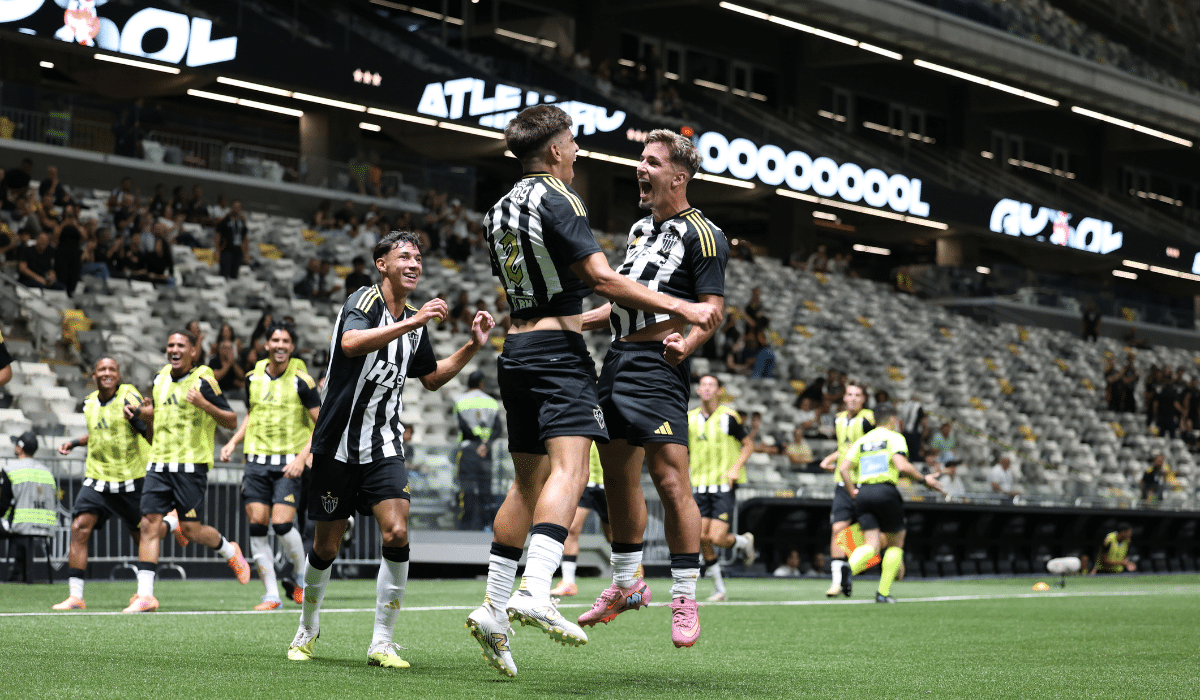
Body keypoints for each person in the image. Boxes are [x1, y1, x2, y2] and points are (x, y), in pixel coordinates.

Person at [467, 106, 717, 678]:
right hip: (558, 354)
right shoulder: (562, 198)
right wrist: (680, 307)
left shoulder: (497, 209)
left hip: (515, 350)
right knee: (572, 471)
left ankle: (494, 606)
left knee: (526, 483)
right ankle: (536, 589)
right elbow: (602, 279)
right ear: (556, 149)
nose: (578, 150)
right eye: (573, 142)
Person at [288, 230, 495, 669]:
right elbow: (351, 343)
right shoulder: (364, 301)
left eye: (418, 257)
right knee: (326, 547)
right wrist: (413, 324)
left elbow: (432, 378)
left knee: (397, 533)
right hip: (337, 444)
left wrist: (472, 347)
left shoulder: (415, 322)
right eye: (404, 256)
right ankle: (307, 626)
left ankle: (382, 641)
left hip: (384, 444)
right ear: (382, 264)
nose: (414, 264)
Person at [576, 129, 728, 645]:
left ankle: (684, 596)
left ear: (678, 177)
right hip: (617, 360)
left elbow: (712, 310)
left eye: (652, 162)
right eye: (641, 159)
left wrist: (690, 343)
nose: (640, 168)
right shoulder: (640, 229)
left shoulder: (705, 234)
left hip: (659, 366)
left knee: (669, 479)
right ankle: (626, 585)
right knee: (617, 479)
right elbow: (624, 299)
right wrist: (571, 323)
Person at [124, 330, 248, 613]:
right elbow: (158, 420)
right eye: (170, 345)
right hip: (158, 464)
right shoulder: (160, 379)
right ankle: (145, 595)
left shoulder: (203, 379)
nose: (174, 349)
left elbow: (231, 420)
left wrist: (204, 404)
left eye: (181, 345)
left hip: (190, 467)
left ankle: (230, 551)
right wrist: (143, 414)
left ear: (193, 351)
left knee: (192, 530)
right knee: (148, 524)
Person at [220, 323, 321, 610]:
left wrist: (302, 457)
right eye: (275, 340)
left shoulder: (303, 381)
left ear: (292, 347)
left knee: (282, 524)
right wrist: (233, 442)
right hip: (256, 462)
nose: (280, 345)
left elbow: (322, 422)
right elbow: (252, 415)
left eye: (285, 341)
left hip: (288, 464)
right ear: (267, 345)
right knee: (257, 527)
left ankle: (301, 576)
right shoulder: (252, 378)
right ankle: (271, 595)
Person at [52, 358, 152, 609]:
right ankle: (76, 596)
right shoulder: (89, 403)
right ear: (93, 375)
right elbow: (99, 431)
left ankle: (145, 594)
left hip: (130, 479)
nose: (107, 373)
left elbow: (146, 432)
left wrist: (146, 418)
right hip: (98, 479)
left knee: (143, 535)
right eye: (102, 369)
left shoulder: (129, 397)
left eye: (112, 369)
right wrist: (75, 442)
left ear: (118, 375)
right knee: (79, 527)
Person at [838, 403, 945, 603]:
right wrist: (924, 480)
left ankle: (849, 567)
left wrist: (852, 491)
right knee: (896, 543)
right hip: (885, 491)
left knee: (871, 545)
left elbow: (844, 468)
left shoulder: (863, 440)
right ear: (893, 420)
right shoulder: (894, 438)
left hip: (864, 493)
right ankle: (883, 593)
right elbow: (902, 466)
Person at [680, 375, 755, 604]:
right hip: (699, 484)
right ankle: (720, 588)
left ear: (719, 391)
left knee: (717, 537)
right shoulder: (690, 418)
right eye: (703, 385)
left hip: (723, 484)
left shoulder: (728, 417)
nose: (706, 388)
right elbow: (687, 452)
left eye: (711, 385)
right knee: (702, 537)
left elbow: (748, 445)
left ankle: (743, 542)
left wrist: (735, 469)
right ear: (698, 390)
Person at [818, 381, 874, 598]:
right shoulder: (839, 419)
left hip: (865, 483)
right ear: (844, 397)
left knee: (873, 534)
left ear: (863, 399)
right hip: (843, 483)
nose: (853, 398)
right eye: (850, 394)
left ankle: (855, 569)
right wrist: (831, 458)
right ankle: (836, 581)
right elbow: (845, 447)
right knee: (838, 529)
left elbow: (872, 446)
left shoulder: (868, 420)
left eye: (857, 395)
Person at [550, 443, 613, 597]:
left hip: (608, 482)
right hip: (584, 482)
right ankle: (568, 582)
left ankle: (633, 573)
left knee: (613, 536)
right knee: (571, 529)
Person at [0, 432, 56, 583]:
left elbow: (3, 504)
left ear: (20, 448)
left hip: (22, 523)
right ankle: (16, 572)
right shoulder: (47, 471)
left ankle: (15, 572)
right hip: (46, 524)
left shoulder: (11, 469)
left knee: (10, 523)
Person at [452, 371, 502, 531]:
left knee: (466, 487)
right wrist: (485, 444)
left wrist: (477, 441)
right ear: (481, 383)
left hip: (468, 450)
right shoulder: (491, 402)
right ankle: (486, 525)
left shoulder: (460, 400)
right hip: (486, 452)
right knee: (485, 488)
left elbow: (462, 426)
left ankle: (465, 526)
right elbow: (498, 428)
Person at [215, 200, 248, 279]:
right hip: (226, 250)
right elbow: (218, 235)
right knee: (224, 272)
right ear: (231, 208)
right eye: (235, 207)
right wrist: (217, 250)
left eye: (238, 207)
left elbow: (245, 238)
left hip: (238, 251)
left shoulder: (242, 222)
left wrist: (246, 253)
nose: (237, 209)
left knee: (234, 274)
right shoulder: (225, 220)